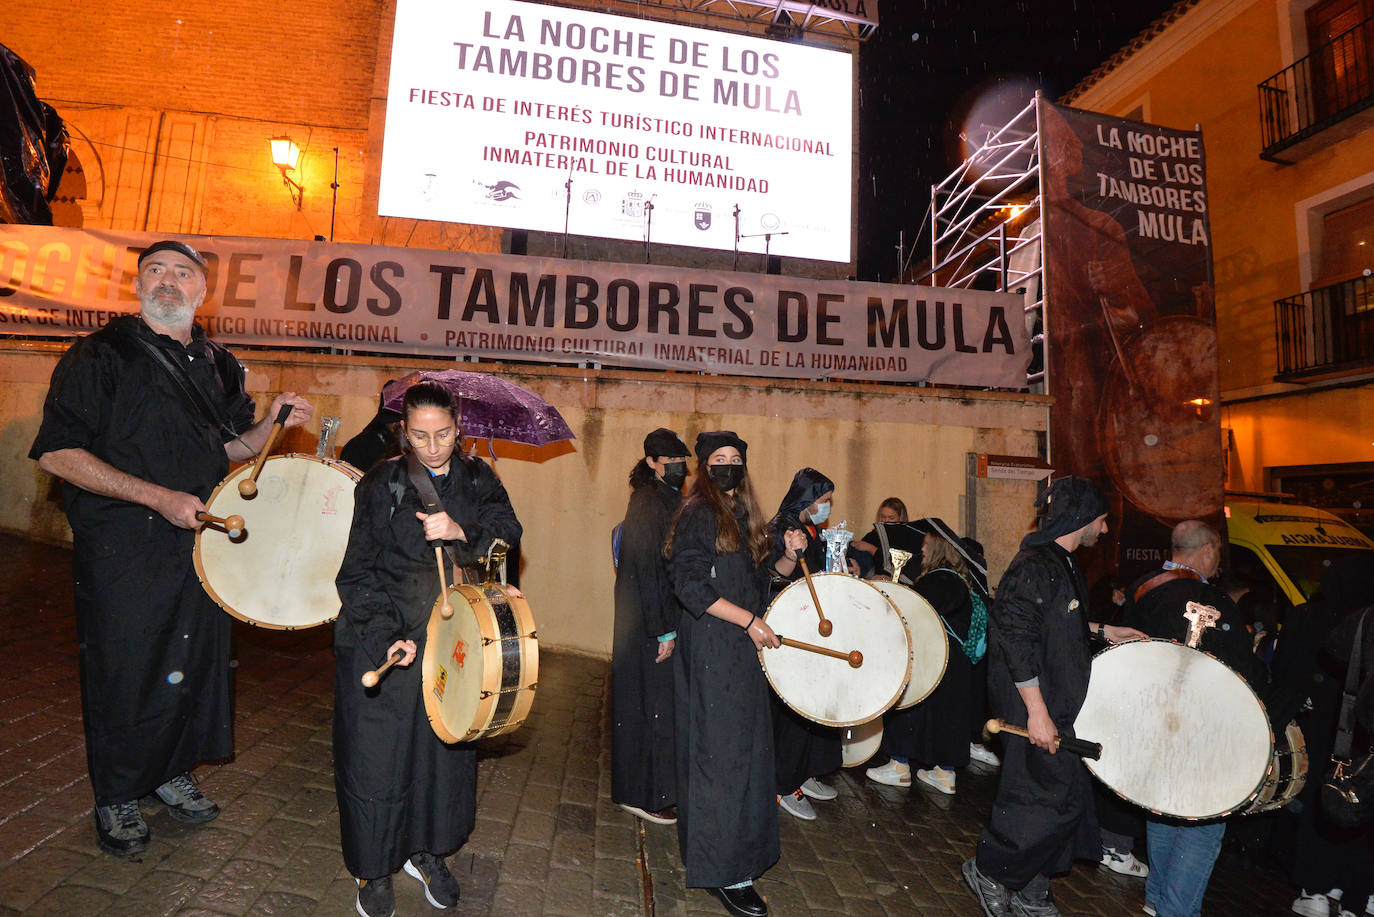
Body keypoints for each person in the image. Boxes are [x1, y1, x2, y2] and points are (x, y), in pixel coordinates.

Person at [29, 239, 313, 858]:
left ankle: (166, 772)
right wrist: (157, 497)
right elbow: (57, 452)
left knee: (192, 666)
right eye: (154, 270)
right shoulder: (99, 355)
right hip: (123, 543)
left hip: (201, 541)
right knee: (125, 667)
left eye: (182, 272)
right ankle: (117, 794)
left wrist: (274, 424)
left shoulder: (218, 363)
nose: (167, 280)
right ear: (137, 284)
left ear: (202, 291)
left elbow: (234, 446)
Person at [333, 380, 522, 917]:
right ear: (404, 432)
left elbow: (509, 534)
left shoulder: (480, 476)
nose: (433, 446)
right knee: (378, 759)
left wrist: (462, 530)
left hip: (451, 638)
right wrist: (387, 635)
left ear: (458, 430)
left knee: (442, 752)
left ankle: (426, 850)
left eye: (443, 434)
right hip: (384, 637)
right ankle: (373, 868)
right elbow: (355, 574)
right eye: (420, 436)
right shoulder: (381, 485)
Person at [963, 476, 1145, 917]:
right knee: (1038, 798)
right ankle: (990, 871)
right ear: (1081, 517)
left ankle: (1030, 887)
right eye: (1101, 521)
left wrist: (1104, 630)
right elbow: (1017, 639)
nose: (1103, 531)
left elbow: (1055, 625)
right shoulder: (1033, 565)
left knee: (1063, 800)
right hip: (1030, 706)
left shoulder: (1063, 563)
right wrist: (1037, 714)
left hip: (1054, 704)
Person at [666, 431, 788, 917]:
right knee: (721, 758)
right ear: (703, 467)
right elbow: (688, 584)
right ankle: (725, 871)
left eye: (736, 459)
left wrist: (786, 557)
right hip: (715, 649)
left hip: (740, 652)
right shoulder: (699, 513)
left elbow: (755, 583)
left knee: (744, 754)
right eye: (719, 460)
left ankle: (738, 857)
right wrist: (749, 622)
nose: (728, 465)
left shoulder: (742, 514)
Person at [1122, 520, 1267, 917]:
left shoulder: (1142, 590)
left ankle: (1157, 898)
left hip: (1153, 720)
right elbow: (1245, 674)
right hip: (1204, 729)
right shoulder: (1216, 601)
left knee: (1163, 806)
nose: (1218, 562)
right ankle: (1176, 910)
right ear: (1206, 550)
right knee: (1203, 819)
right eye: (1218, 553)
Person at [867, 518, 984, 795]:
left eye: (926, 545)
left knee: (911, 708)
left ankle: (899, 767)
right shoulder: (961, 582)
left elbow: (913, 614)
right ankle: (944, 775)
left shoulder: (937, 579)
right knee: (947, 719)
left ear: (938, 550)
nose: (921, 549)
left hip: (933, 663)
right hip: (957, 666)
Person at [611, 427, 691, 825]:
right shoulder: (648, 501)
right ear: (652, 463)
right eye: (671, 462)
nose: (679, 468)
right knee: (648, 708)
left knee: (653, 706)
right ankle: (642, 793)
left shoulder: (667, 497)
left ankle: (649, 788)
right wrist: (664, 629)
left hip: (651, 617)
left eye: (683, 462)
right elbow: (649, 567)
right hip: (646, 623)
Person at [767, 468, 843, 820]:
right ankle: (784, 783)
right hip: (790, 627)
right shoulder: (783, 529)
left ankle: (805, 770)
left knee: (813, 707)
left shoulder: (811, 529)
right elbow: (776, 576)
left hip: (811, 626)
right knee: (794, 711)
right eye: (824, 501)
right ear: (809, 500)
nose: (827, 507)